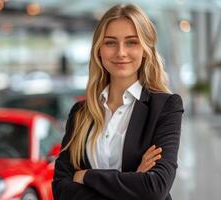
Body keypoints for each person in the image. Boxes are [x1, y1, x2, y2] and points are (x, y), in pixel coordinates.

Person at [52, 3, 184, 200]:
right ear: (99, 50)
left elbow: (155, 187)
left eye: (131, 42)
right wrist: (132, 181)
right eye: (110, 43)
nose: (121, 52)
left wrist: (86, 176)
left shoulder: (165, 107)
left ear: (145, 49)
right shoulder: (81, 112)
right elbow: (61, 188)